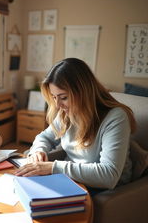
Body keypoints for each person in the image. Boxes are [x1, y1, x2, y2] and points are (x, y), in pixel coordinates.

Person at [15, 58, 136, 191]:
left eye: (64, 97)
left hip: (106, 190)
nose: (58, 105)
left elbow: (108, 175)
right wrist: (39, 150)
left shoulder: (116, 118)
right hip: (73, 179)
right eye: (54, 97)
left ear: (84, 92)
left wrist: (53, 167)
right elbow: (45, 137)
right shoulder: (67, 113)